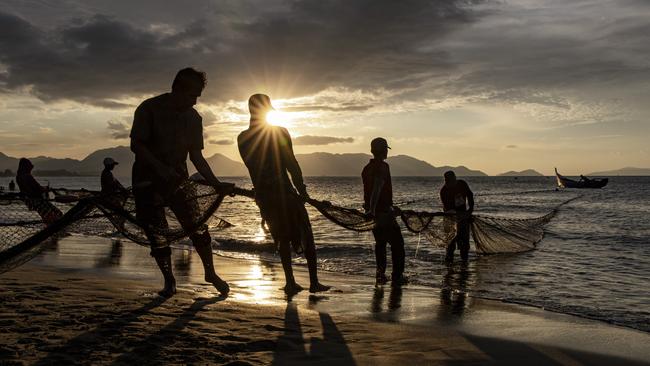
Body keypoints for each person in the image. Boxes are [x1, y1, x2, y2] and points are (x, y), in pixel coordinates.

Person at [130, 67, 233, 297]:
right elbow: (137, 145)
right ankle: (169, 281)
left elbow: (196, 157)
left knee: (198, 226)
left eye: (197, 96)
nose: (195, 102)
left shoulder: (193, 118)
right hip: (146, 180)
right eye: (191, 95)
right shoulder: (149, 108)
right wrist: (159, 168)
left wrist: (217, 183)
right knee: (158, 233)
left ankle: (210, 273)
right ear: (177, 89)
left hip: (178, 180)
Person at [237, 94, 330, 295]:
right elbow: (291, 164)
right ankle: (314, 283)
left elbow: (254, 168)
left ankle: (290, 282)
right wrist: (302, 191)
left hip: (264, 198)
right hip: (286, 194)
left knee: (282, 239)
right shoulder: (279, 132)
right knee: (306, 236)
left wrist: (260, 192)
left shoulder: (242, 138)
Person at [362, 137, 406, 286]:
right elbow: (377, 188)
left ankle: (380, 275)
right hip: (382, 214)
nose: (387, 152)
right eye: (386, 149)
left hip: (374, 214)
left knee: (380, 244)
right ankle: (397, 276)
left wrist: (371, 209)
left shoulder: (366, 169)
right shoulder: (382, 167)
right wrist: (375, 210)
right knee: (398, 245)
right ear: (383, 151)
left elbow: (370, 192)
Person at [439, 170, 474, 263]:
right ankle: (449, 266)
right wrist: (457, 215)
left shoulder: (462, 184)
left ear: (455, 178)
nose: (448, 182)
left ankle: (464, 265)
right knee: (450, 244)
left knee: (464, 244)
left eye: (451, 180)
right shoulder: (444, 191)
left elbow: (470, 195)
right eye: (446, 180)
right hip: (450, 219)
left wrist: (470, 211)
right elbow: (447, 208)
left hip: (463, 218)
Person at [15, 158, 63, 225]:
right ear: (26, 167)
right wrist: (47, 189)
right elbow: (37, 188)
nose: (31, 169)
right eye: (30, 167)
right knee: (58, 213)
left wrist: (42, 189)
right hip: (37, 200)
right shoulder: (28, 176)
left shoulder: (18, 177)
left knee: (46, 216)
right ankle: (56, 229)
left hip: (30, 201)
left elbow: (29, 189)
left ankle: (50, 228)